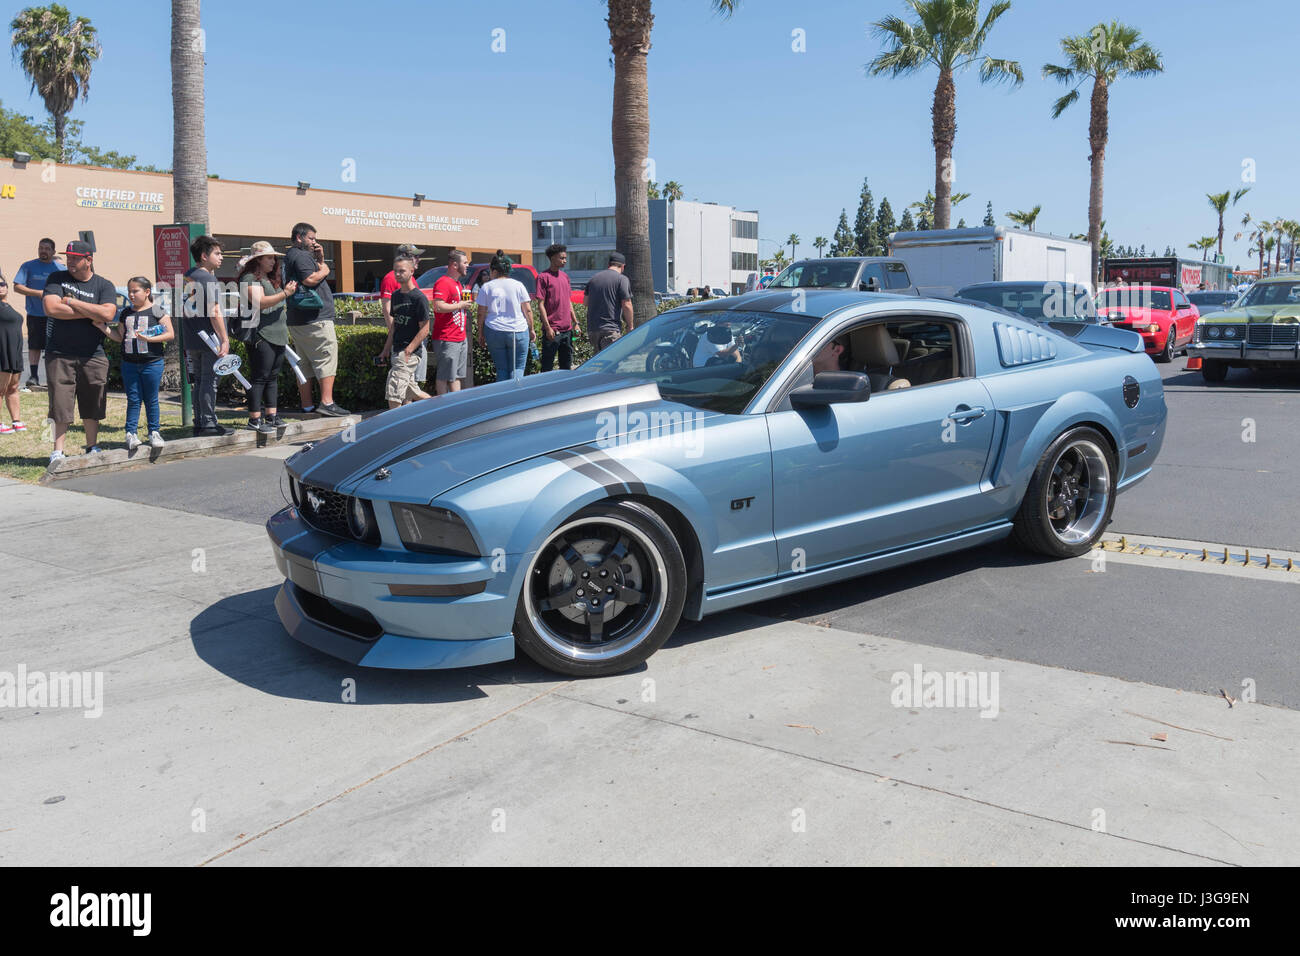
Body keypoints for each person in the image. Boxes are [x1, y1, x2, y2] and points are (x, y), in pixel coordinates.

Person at [40, 241, 117, 461]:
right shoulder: (56, 279)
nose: (70, 261)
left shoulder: (104, 285)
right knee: (60, 403)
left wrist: (72, 303)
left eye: (75, 257)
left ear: (88, 260)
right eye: (68, 257)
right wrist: (93, 312)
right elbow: (52, 308)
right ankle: (57, 451)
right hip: (59, 353)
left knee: (93, 401)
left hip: (93, 354)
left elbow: (109, 315)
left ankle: (92, 446)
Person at [98, 277, 172, 450]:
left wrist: (150, 338)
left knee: (151, 398)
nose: (131, 295)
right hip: (129, 363)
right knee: (133, 399)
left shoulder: (157, 311)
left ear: (147, 292)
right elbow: (119, 337)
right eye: (129, 291)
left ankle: (154, 432)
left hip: (152, 363)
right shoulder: (125, 313)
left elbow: (170, 334)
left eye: (135, 291)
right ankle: (131, 433)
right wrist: (103, 327)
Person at [284, 222, 348, 416]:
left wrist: (319, 258)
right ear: (299, 237)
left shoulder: (291, 256)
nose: (314, 242)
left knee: (304, 363)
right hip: (316, 319)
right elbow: (309, 279)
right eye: (311, 238)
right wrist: (325, 269)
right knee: (325, 359)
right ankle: (327, 403)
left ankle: (307, 405)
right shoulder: (301, 255)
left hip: (297, 320)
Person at [237, 241, 297, 433]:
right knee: (259, 377)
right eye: (269, 257)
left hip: (278, 334)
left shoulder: (270, 278)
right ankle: (254, 419)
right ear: (259, 260)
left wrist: (284, 291)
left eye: (274, 257)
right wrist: (286, 293)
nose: (274, 261)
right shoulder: (249, 278)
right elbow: (260, 302)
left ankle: (272, 415)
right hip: (261, 334)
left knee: (272, 377)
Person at [181, 235, 233, 437]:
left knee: (200, 382)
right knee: (209, 381)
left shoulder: (189, 275)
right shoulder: (209, 279)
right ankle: (209, 423)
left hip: (192, 336)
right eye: (217, 253)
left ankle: (199, 421)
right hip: (209, 339)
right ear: (204, 256)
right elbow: (215, 311)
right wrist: (224, 339)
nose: (221, 257)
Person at [378, 254, 431, 407]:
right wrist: (386, 350)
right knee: (413, 392)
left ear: (411, 272)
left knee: (394, 392)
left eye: (402, 271)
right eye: (396, 271)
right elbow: (395, 326)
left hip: (409, 354)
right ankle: (439, 408)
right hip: (396, 350)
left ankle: (393, 427)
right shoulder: (395, 296)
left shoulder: (419, 298)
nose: (398, 274)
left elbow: (425, 329)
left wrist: (408, 351)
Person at [475, 250, 534, 382]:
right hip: (518, 330)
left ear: (493, 270)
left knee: (501, 369)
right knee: (517, 368)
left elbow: (481, 313)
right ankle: (517, 397)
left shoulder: (486, 287)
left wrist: (480, 333)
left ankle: (502, 398)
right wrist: (531, 329)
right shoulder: (518, 285)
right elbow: (528, 310)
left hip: (494, 329)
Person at [12, 237, 62, 390]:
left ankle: (54, 378)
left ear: (53, 251)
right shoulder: (28, 266)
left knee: (54, 346)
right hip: (35, 314)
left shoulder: (60, 269)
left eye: (47, 249)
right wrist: (37, 293)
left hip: (55, 314)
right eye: (41, 248)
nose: (43, 251)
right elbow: (17, 287)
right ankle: (34, 376)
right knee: (34, 346)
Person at [428, 249, 471, 394]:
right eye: (464, 263)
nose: (467, 265)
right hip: (447, 338)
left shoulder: (458, 284)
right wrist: (460, 305)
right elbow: (438, 306)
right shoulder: (443, 282)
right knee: (444, 377)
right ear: (454, 265)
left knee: (457, 377)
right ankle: (443, 410)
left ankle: (456, 408)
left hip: (460, 337)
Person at [534, 243, 575, 371]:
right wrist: (547, 328)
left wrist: (576, 322)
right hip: (552, 330)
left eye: (565, 258)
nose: (565, 260)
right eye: (562, 258)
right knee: (547, 367)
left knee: (566, 367)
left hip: (567, 330)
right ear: (552, 258)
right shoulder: (543, 277)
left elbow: (568, 302)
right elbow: (540, 304)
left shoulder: (565, 277)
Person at [584, 252, 633, 353]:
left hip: (593, 330)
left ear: (609, 265)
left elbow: (585, 302)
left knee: (599, 364)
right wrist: (630, 326)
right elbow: (627, 305)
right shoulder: (622, 279)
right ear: (623, 266)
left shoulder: (593, 279)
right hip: (611, 329)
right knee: (612, 363)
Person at [0, 272, 28, 435]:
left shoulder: (8, 306)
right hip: (2, 351)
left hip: (14, 351)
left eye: (2, 284)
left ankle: (16, 421)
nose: (0, 287)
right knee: (0, 389)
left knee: (13, 387)